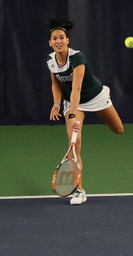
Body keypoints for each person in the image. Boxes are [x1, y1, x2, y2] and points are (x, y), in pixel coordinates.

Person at [47, 19, 124, 205]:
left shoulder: (78, 58)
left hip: (94, 97)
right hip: (73, 103)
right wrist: (57, 104)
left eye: (61, 38)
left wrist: (73, 115)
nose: (58, 41)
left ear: (67, 40)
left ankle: (98, 113)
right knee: (75, 144)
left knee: (118, 129)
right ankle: (79, 191)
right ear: (50, 42)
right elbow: (56, 84)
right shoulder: (51, 61)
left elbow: (76, 89)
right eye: (54, 38)